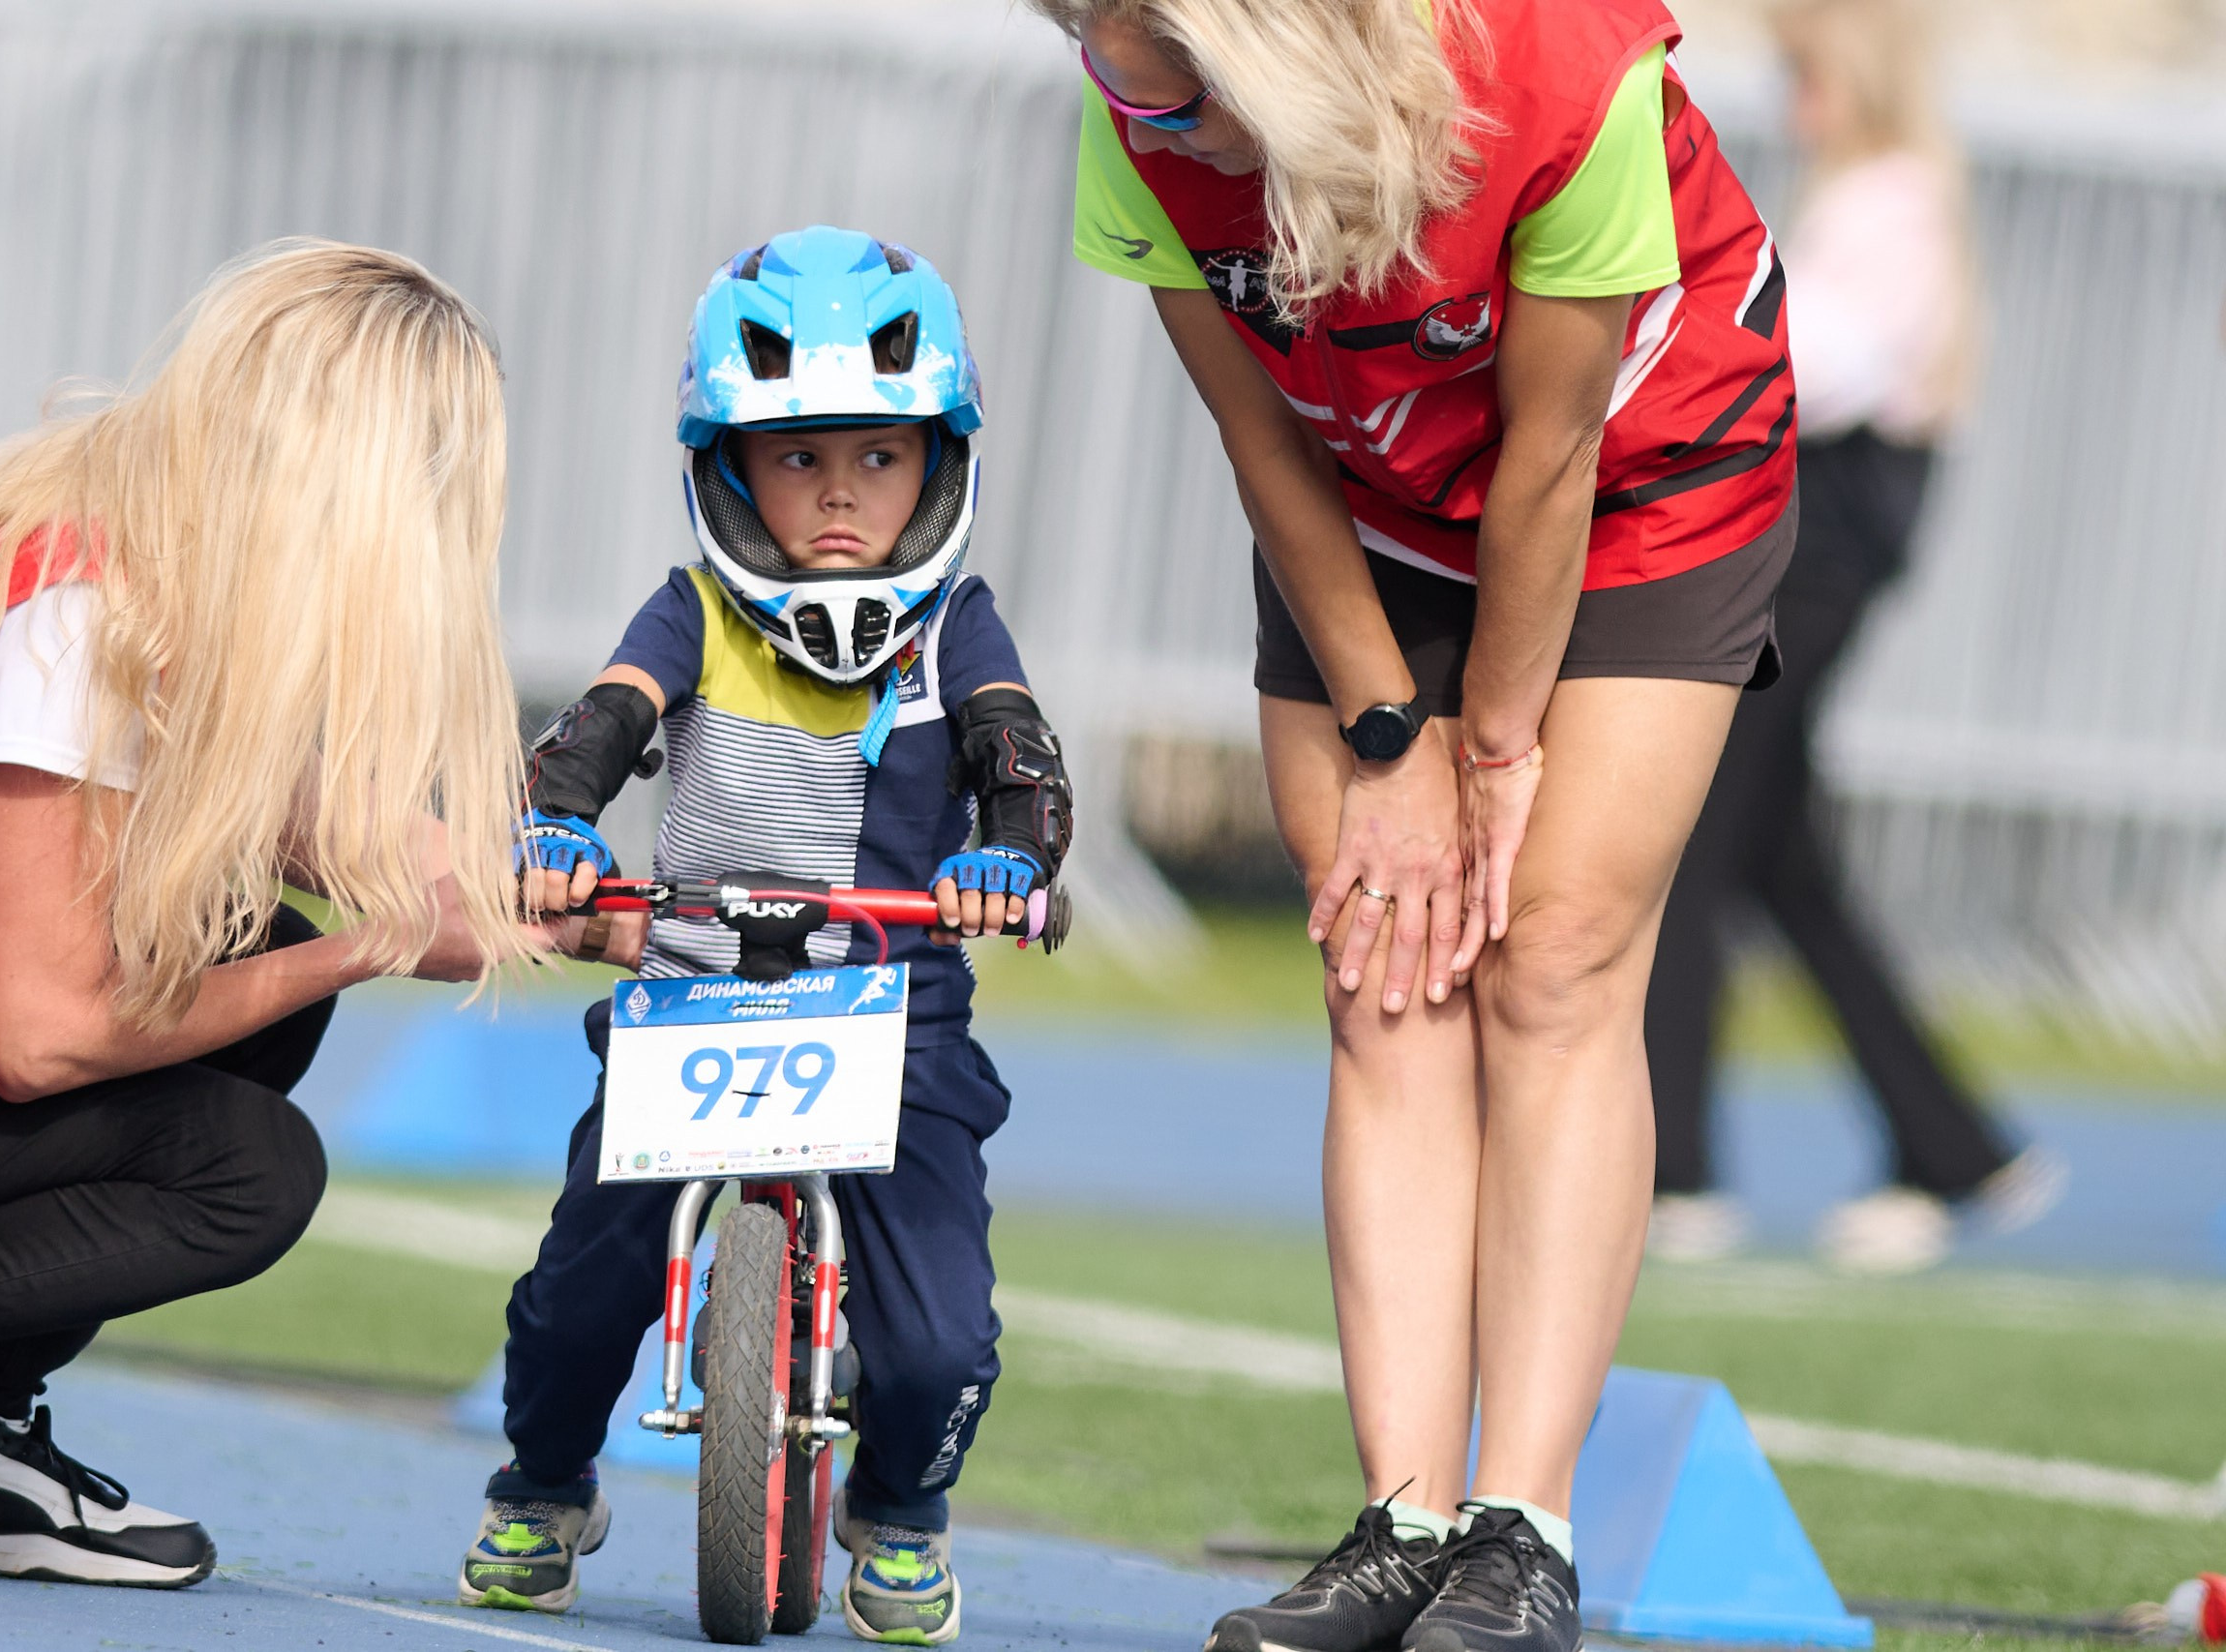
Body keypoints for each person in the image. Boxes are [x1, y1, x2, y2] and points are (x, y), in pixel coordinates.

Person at [1034, 1, 1798, 1649]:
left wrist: (1499, 746)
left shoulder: (1564, 71)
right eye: (1128, 96)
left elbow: (1553, 452)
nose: (1165, 140)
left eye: (1196, 109)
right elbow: (1258, 440)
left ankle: (1522, 1538)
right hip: (1363, 490)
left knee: (1555, 958)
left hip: (1647, 471)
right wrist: (1389, 736)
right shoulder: (1129, 106)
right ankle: (1402, 1522)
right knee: (1385, 969)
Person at [0, 239, 638, 1587]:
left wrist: (572, 899)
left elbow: (301, 808)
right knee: (248, 1171)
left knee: (246, 951)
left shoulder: (98, 515)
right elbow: (46, 1037)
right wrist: (378, 943)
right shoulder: (82, 616)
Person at [455, 225, 1071, 1645]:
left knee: (939, 1340)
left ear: (939, 466)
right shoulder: (694, 614)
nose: (842, 495)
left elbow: (1021, 762)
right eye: (798, 460)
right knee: (576, 1291)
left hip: (895, 1024)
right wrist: (556, 826)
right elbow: (598, 728)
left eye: (879, 456)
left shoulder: (955, 628)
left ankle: (901, 1506)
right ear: (727, 470)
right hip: (690, 1006)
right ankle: (544, 1483)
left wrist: (1011, 856)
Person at [1641, 0, 2063, 1274]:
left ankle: (1675, 1172)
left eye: (1803, 72)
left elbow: (1822, 365)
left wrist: (1691, 338)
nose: (1791, 97)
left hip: (1812, 555)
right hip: (1815, 545)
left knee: (1690, 841)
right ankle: (1957, 1149)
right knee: (1781, 862)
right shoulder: (1870, 195)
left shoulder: (1890, 201)